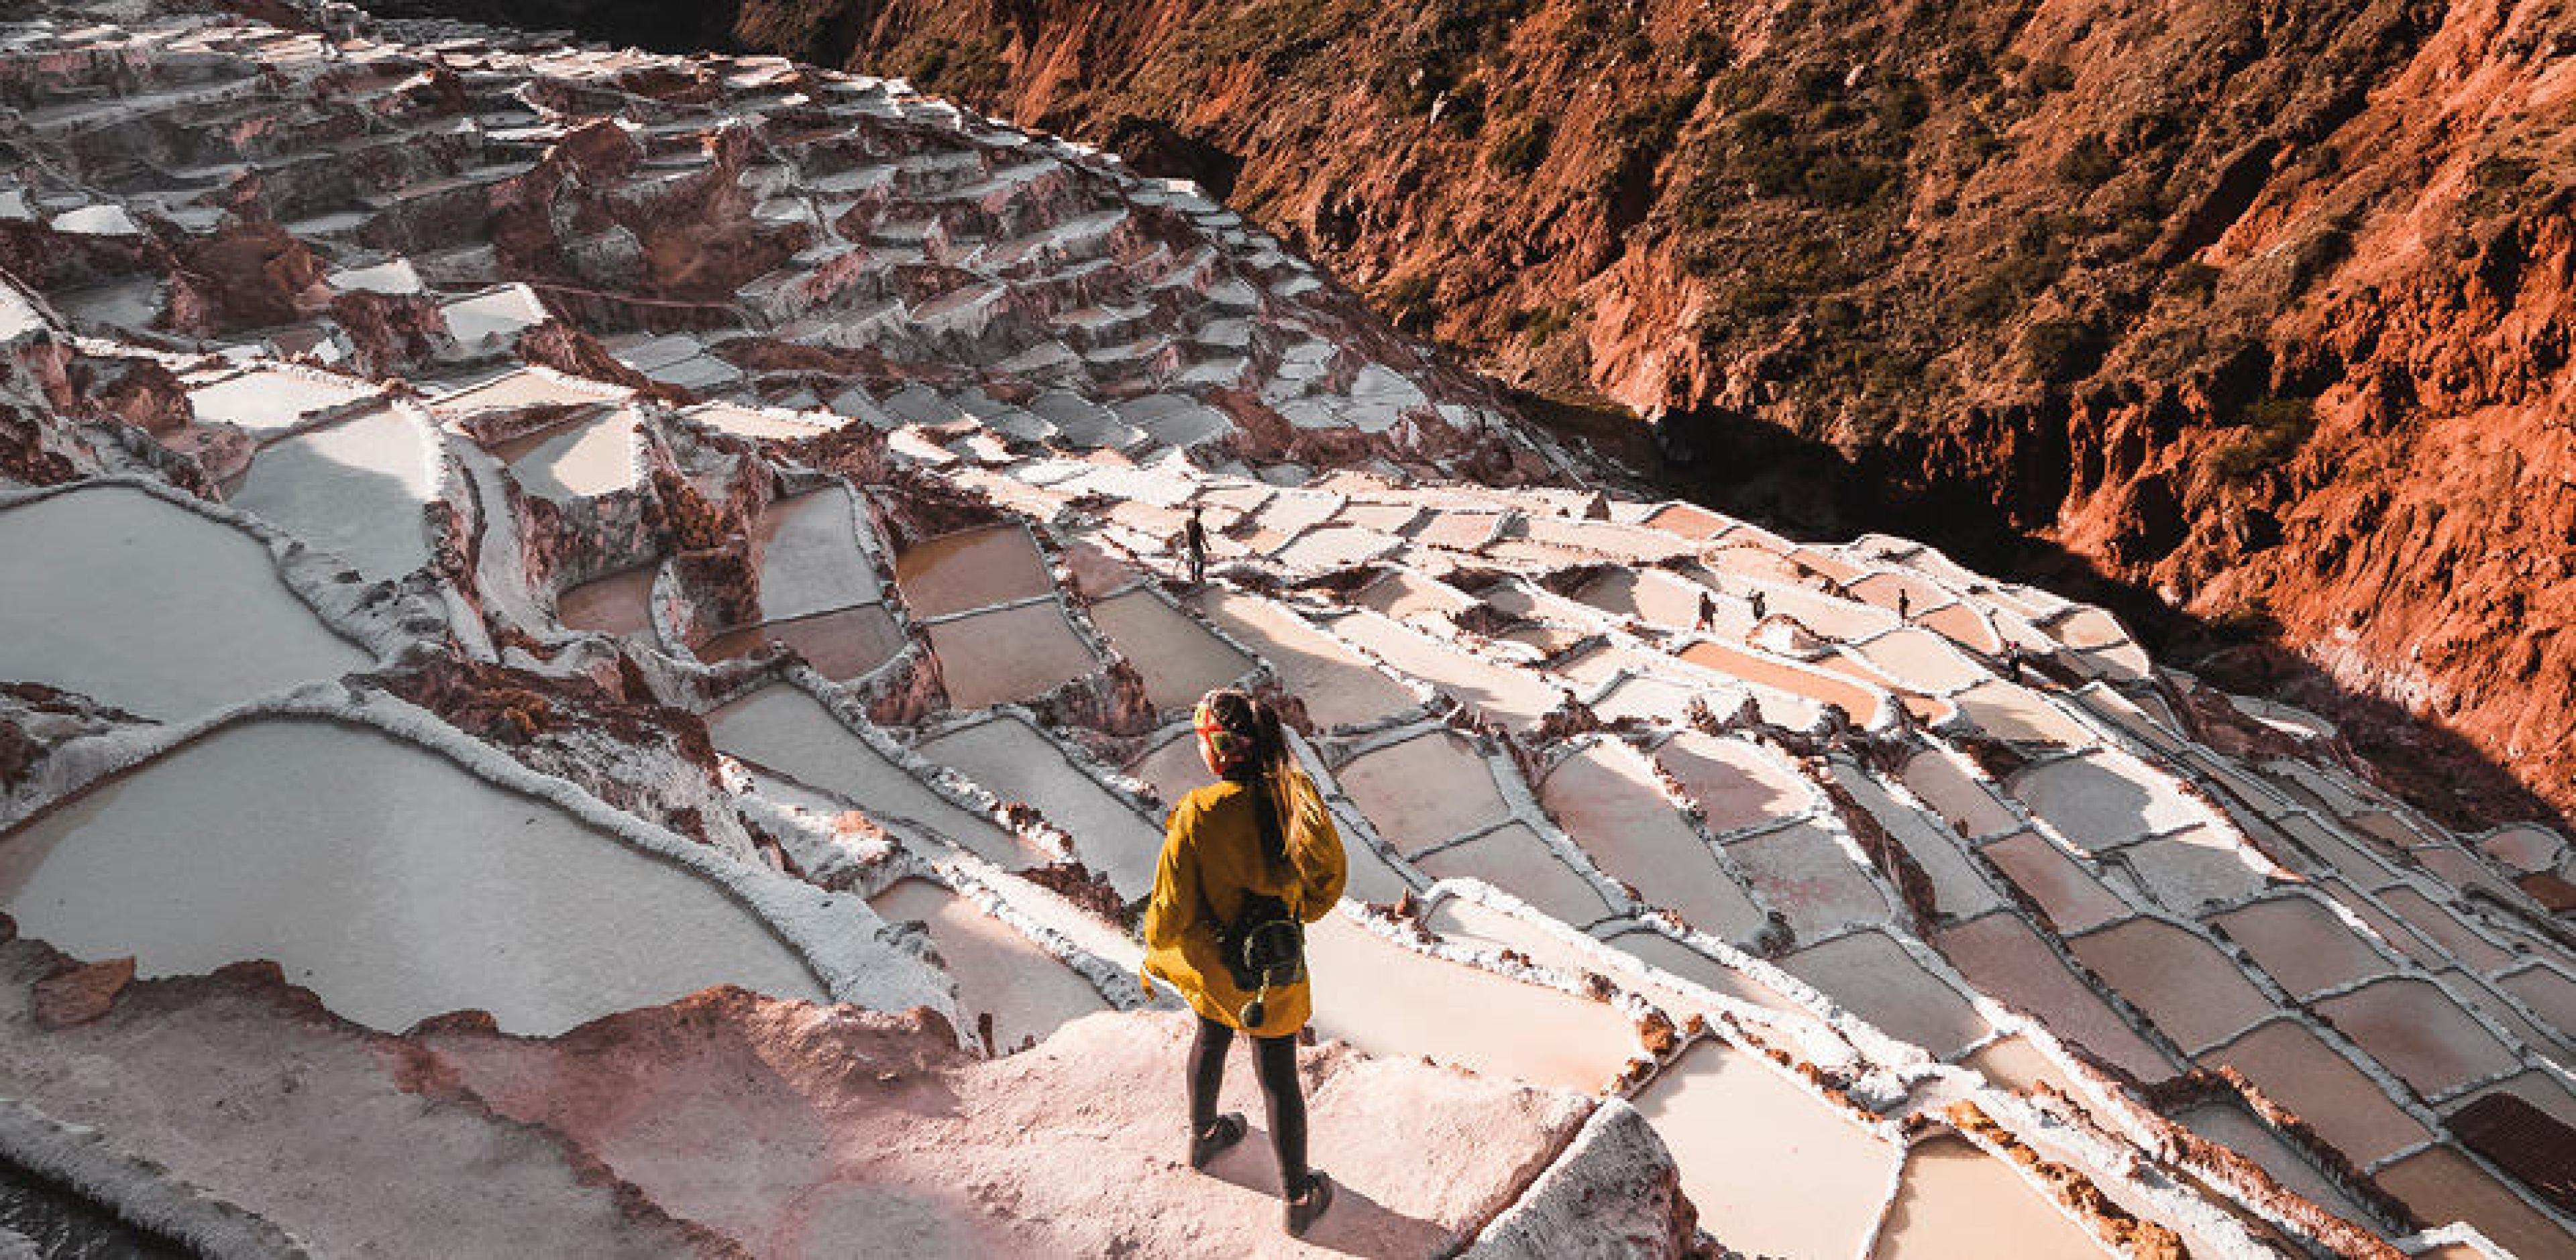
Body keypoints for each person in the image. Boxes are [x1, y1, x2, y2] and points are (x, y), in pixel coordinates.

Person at [1142, 687, 1348, 1236]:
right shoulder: (1294, 796)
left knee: (1210, 1036)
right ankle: (1298, 1197)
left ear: (1221, 750)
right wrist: (1294, 909)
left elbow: (1170, 907)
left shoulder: (1197, 815)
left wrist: (1159, 951)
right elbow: (1329, 880)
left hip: (1218, 966)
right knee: (1278, 1074)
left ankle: (1203, 1137)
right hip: (1274, 968)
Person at [1183, 505, 1209, 585]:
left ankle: (1193, 578)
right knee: (1201, 560)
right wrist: (1207, 545)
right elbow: (1202, 536)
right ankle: (1199, 577)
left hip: (1191, 544)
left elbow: (1187, 532)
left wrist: (1186, 542)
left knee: (1193, 561)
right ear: (1200, 514)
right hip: (1196, 544)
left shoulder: (1189, 522)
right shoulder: (1198, 525)